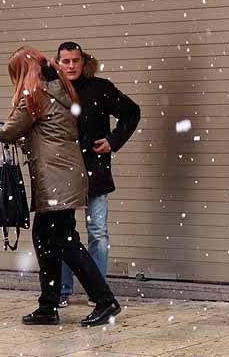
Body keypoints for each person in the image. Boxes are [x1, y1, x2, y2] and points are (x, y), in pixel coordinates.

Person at [0, 46, 121, 327]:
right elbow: (45, 134)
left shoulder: (36, 93)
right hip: (63, 175)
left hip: (57, 179)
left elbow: (8, 131)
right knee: (44, 237)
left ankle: (106, 302)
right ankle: (48, 306)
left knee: (66, 241)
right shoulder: (57, 89)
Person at [55, 42, 140, 308]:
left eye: (75, 61)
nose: (71, 66)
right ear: (57, 63)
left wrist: (113, 140)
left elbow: (131, 112)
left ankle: (98, 291)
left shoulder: (100, 88)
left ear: (83, 62)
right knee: (61, 234)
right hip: (61, 174)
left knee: (97, 233)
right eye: (65, 61)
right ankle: (61, 290)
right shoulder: (52, 90)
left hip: (95, 172)